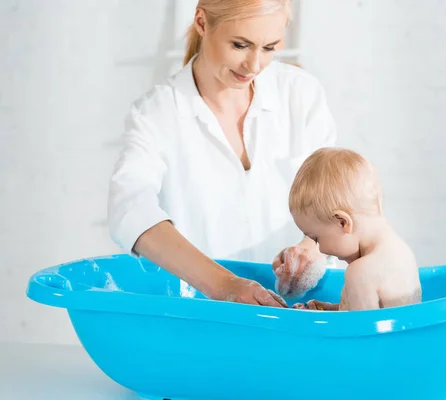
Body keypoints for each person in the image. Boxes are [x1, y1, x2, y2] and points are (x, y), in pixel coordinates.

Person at [107, 0, 337, 308]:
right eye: (240, 45)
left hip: (308, 312)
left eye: (269, 47)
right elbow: (130, 211)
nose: (254, 65)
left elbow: (337, 201)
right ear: (202, 22)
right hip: (212, 316)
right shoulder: (157, 113)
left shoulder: (301, 94)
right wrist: (223, 285)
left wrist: (313, 246)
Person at [286, 147, 422, 311]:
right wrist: (330, 309)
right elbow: (379, 317)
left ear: (342, 222)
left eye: (316, 238)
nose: (319, 248)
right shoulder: (403, 252)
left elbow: (359, 332)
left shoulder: (360, 273)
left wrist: (314, 321)